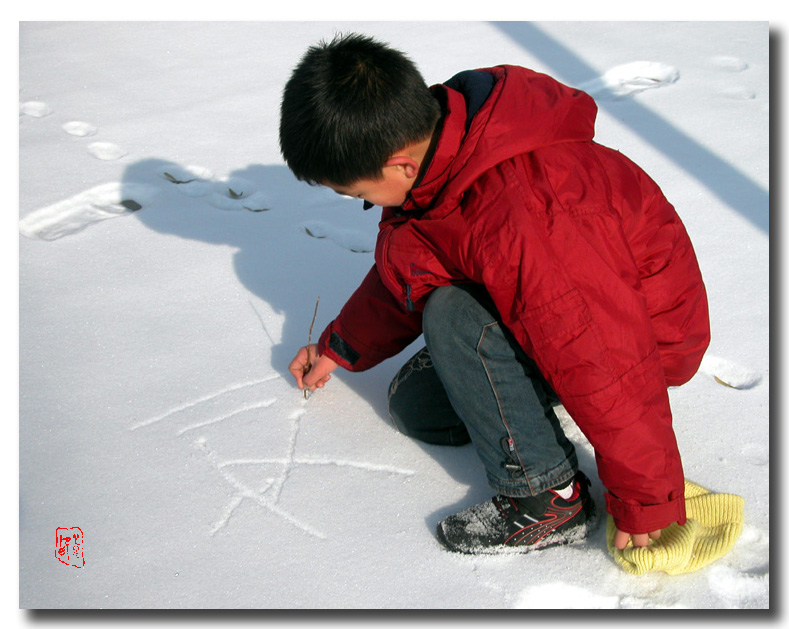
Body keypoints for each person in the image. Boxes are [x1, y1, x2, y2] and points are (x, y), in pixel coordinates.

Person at [279, 33, 710, 554]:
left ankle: (548, 500)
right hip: (558, 317)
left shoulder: (531, 212)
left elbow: (602, 353)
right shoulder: (443, 156)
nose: (362, 204)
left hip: (644, 341)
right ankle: (512, 393)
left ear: (400, 164)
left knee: (452, 315)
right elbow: (419, 259)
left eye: (359, 195)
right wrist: (341, 346)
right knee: (418, 407)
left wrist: (646, 497)